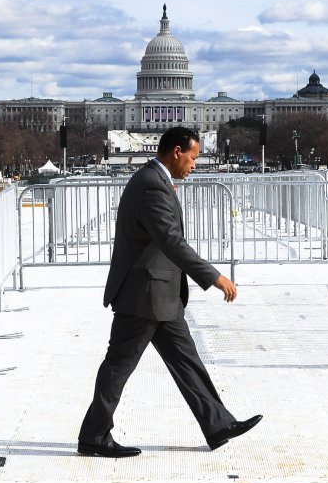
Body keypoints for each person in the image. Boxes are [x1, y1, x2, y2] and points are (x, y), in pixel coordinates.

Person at [77, 126, 262, 458]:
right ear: (176, 151)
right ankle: (93, 436)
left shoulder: (154, 180)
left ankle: (218, 424)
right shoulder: (151, 185)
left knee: (187, 361)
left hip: (160, 293)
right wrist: (214, 277)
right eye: (192, 157)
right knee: (118, 367)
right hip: (144, 294)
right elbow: (171, 241)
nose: (194, 164)